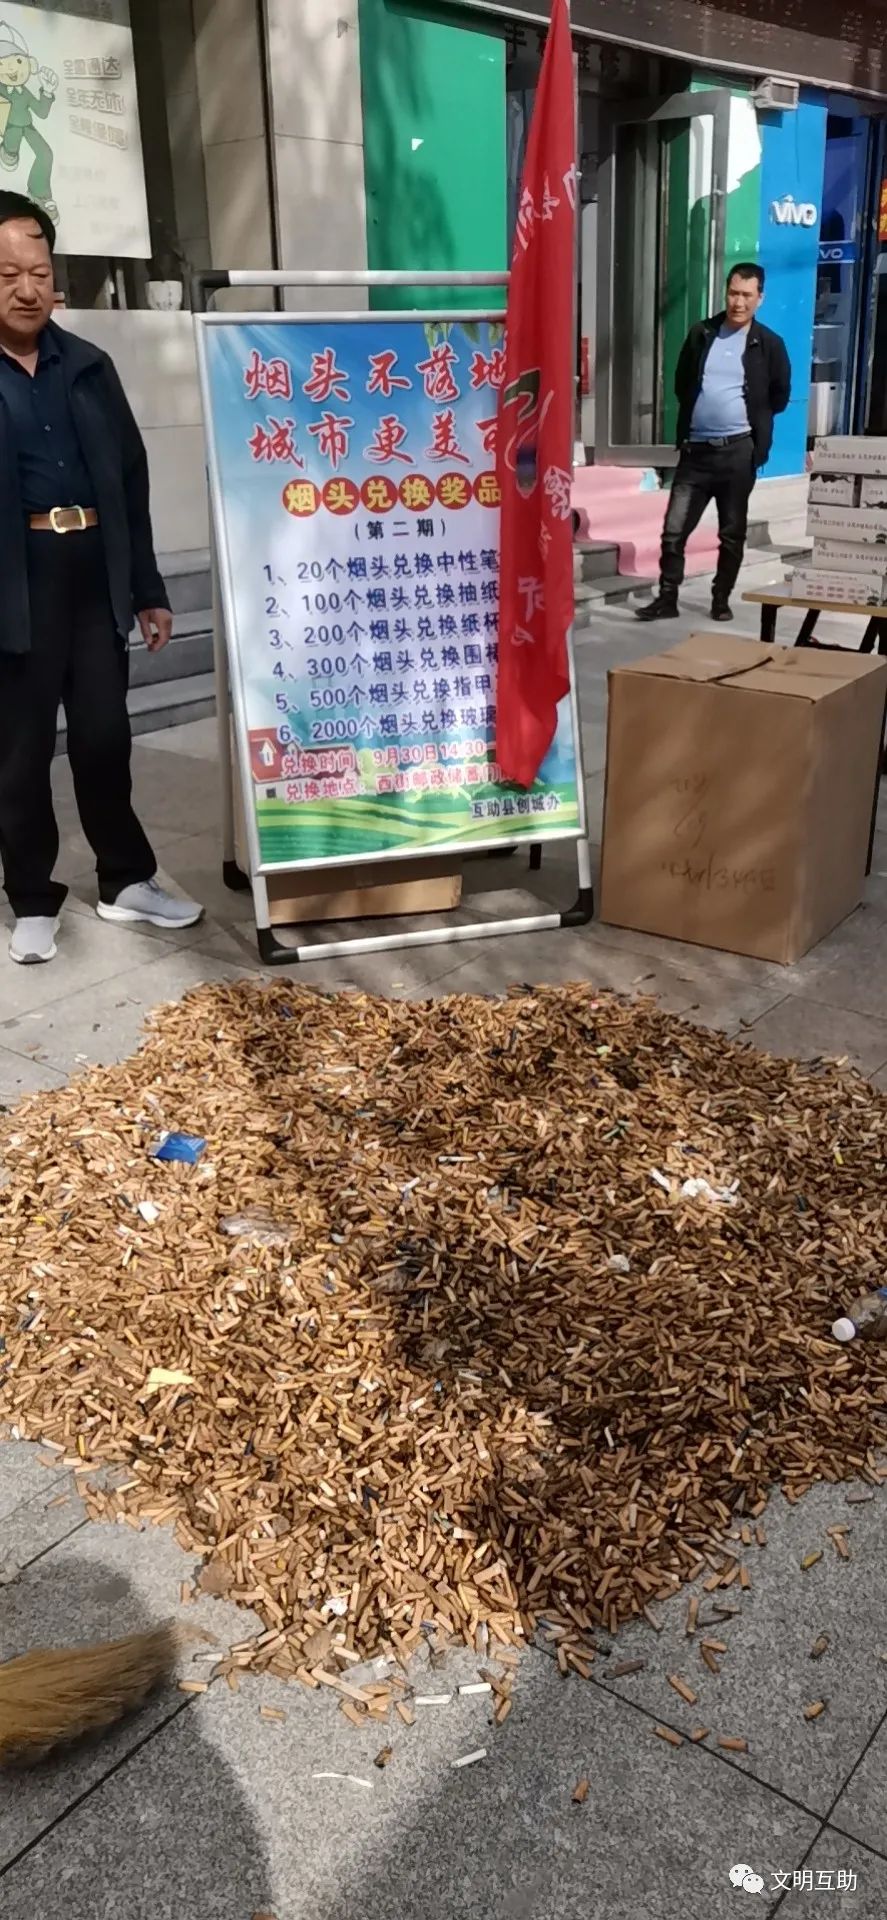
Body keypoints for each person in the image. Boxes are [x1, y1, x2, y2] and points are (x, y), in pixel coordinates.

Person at [0, 191, 202, 964]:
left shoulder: (88, 366)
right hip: (15, 585)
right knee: (18, 754)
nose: (28, 290)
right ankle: (31, 896)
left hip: (91, 578)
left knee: (104, 739)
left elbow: (129, 481)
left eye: (40, 272)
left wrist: (147, 589)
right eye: (9, 275)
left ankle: (124, 880)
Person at [636, 264, 791, 624]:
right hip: (696, 453)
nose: (738, 302)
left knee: (731, 534)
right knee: (673, 531)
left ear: (760, 298)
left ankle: (721, 599)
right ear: (726, 292)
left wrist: (751, 429)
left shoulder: (769, 344)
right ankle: (667, 598)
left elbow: (779, 396)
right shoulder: (702, 333)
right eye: (733, 293)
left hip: (737, 454)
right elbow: (682, 383)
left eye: (747, 295)